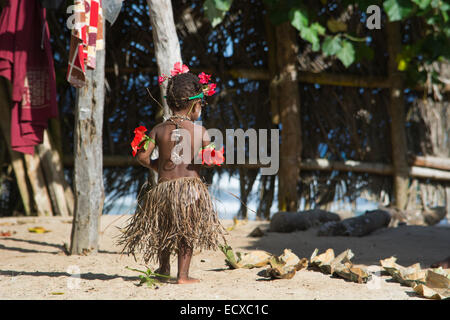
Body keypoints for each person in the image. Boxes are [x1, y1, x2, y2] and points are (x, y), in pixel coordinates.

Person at [118, 66, 225, 284]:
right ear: (196, 105)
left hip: (164, 189)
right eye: (201, 104)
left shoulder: (158, 129)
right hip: (190, 190)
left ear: (169, 102)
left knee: (164, 229)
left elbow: (142, 157)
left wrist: (159, 166)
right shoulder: (200, 132)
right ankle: (182, 276)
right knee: (186, 231)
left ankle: (163, 269)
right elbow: (210, 160)